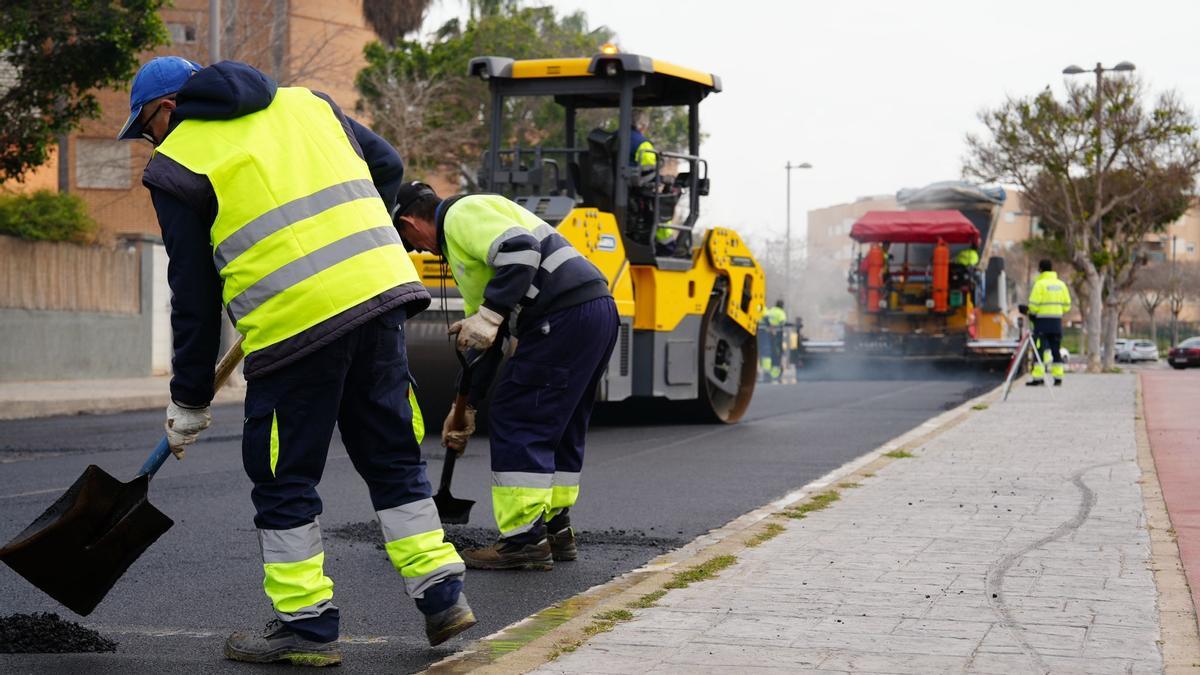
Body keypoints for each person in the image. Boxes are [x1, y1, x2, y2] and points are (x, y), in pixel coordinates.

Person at [120, 57, 472, 666]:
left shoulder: (175, 163)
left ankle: (306, 627)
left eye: (148, 127)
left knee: (285, 478)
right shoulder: (308, 103)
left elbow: (194, 296)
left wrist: (189, 397)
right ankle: (442, 597)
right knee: (392, 456)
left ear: (168, 108)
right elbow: (388, 165)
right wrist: (354, 237)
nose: (151, 141)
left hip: (295, 328)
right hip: (380, 296)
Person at [391, 183, 619, 571]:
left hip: (561, 314)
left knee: (520, 416)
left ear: (410, 221)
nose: (418, 251)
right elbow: (486, 343)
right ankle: (555, 529)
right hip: (593, 310)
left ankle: (523, 541)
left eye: (409, 242)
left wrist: (490, 314)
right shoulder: (469, 241)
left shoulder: (460, 215)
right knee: (560, 423)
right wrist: (465, 406)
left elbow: (521, 250)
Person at [629, 111, 679, 254]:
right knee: (662, 202)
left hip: (613, 190)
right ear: (642, 126)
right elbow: (649, 173)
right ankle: (667, 246)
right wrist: (663, 180)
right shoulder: (642, 144)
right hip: (633, 192)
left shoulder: (614, 137)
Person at [1026, 259, 1072, 386]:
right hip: (1056, 323)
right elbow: (1067, 306)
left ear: (1040, 269)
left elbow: (1033, 306)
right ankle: (1058, 378)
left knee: (1039, 351)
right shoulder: (1061, 285)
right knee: (1055, 351)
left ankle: (1038, 378)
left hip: (1041, 323)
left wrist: (1031, 311)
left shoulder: (1039, 284)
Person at [759, 300, 787, 382]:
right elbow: (782, 322)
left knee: (766, 352)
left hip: (765, 334)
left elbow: (766, 319)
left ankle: (766, 372)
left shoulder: (770, 310)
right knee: (776, 353)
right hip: (776, 335)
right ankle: (775, 373)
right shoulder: (780, 312)